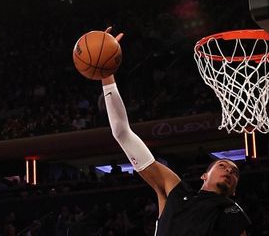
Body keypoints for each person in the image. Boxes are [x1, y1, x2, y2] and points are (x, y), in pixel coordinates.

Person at [98, 28, 250, 235]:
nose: (230, 171)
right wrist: (106, 75)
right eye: (223, 165)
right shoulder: (174, 192)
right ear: (204, 176)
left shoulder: (232, 213)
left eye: (235, 173)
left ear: (235, 190)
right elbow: (122, 133)